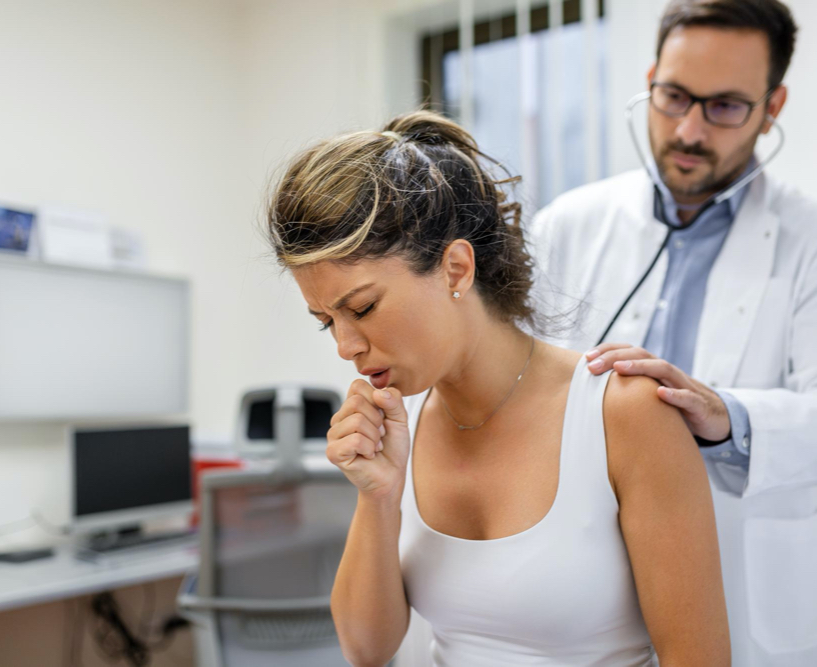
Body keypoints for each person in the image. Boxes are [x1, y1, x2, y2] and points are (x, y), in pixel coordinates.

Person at [265, 111, 730, 666]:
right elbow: (366, 649)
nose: (345, 346)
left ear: (457, 269)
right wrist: (378, 496)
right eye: (326, 320)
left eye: (362, 308)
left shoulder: (623, 413)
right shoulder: (398, 426)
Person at [527, 1, 817, 665]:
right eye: (673, 97)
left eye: (725, 106)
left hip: (742, 592)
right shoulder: (568, 225)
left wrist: (729, 415)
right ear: (651, 78)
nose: (690, 129)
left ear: (772, 105)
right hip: (581, 588)